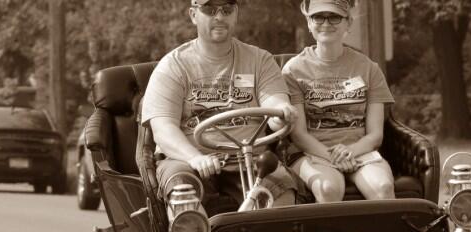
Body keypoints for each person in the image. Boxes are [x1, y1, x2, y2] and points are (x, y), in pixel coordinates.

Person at [140, 0, 299, 212]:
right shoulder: (173, 66)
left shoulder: (260, 60)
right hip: (189, 160)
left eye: (226, 10)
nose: (219, 17)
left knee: (281, 186)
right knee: (182, 191)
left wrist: (281, 114)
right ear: (193, 15)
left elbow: (274, 103)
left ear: (236, 14)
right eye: (210, 10)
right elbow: (163, 129)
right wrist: (195, 158)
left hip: (249, 160)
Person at [282, 0, 396, 203]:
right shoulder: (293, 70)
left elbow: (376, 135)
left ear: (348, 23)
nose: (326, 23)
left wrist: (352, 151)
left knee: (383, 188)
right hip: (312, 152)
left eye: (334, 17)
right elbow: (298, 135)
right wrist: (333, 157)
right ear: (309, 22)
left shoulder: (369, 68)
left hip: (360, 151)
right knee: (329, 189)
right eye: (318, 16)